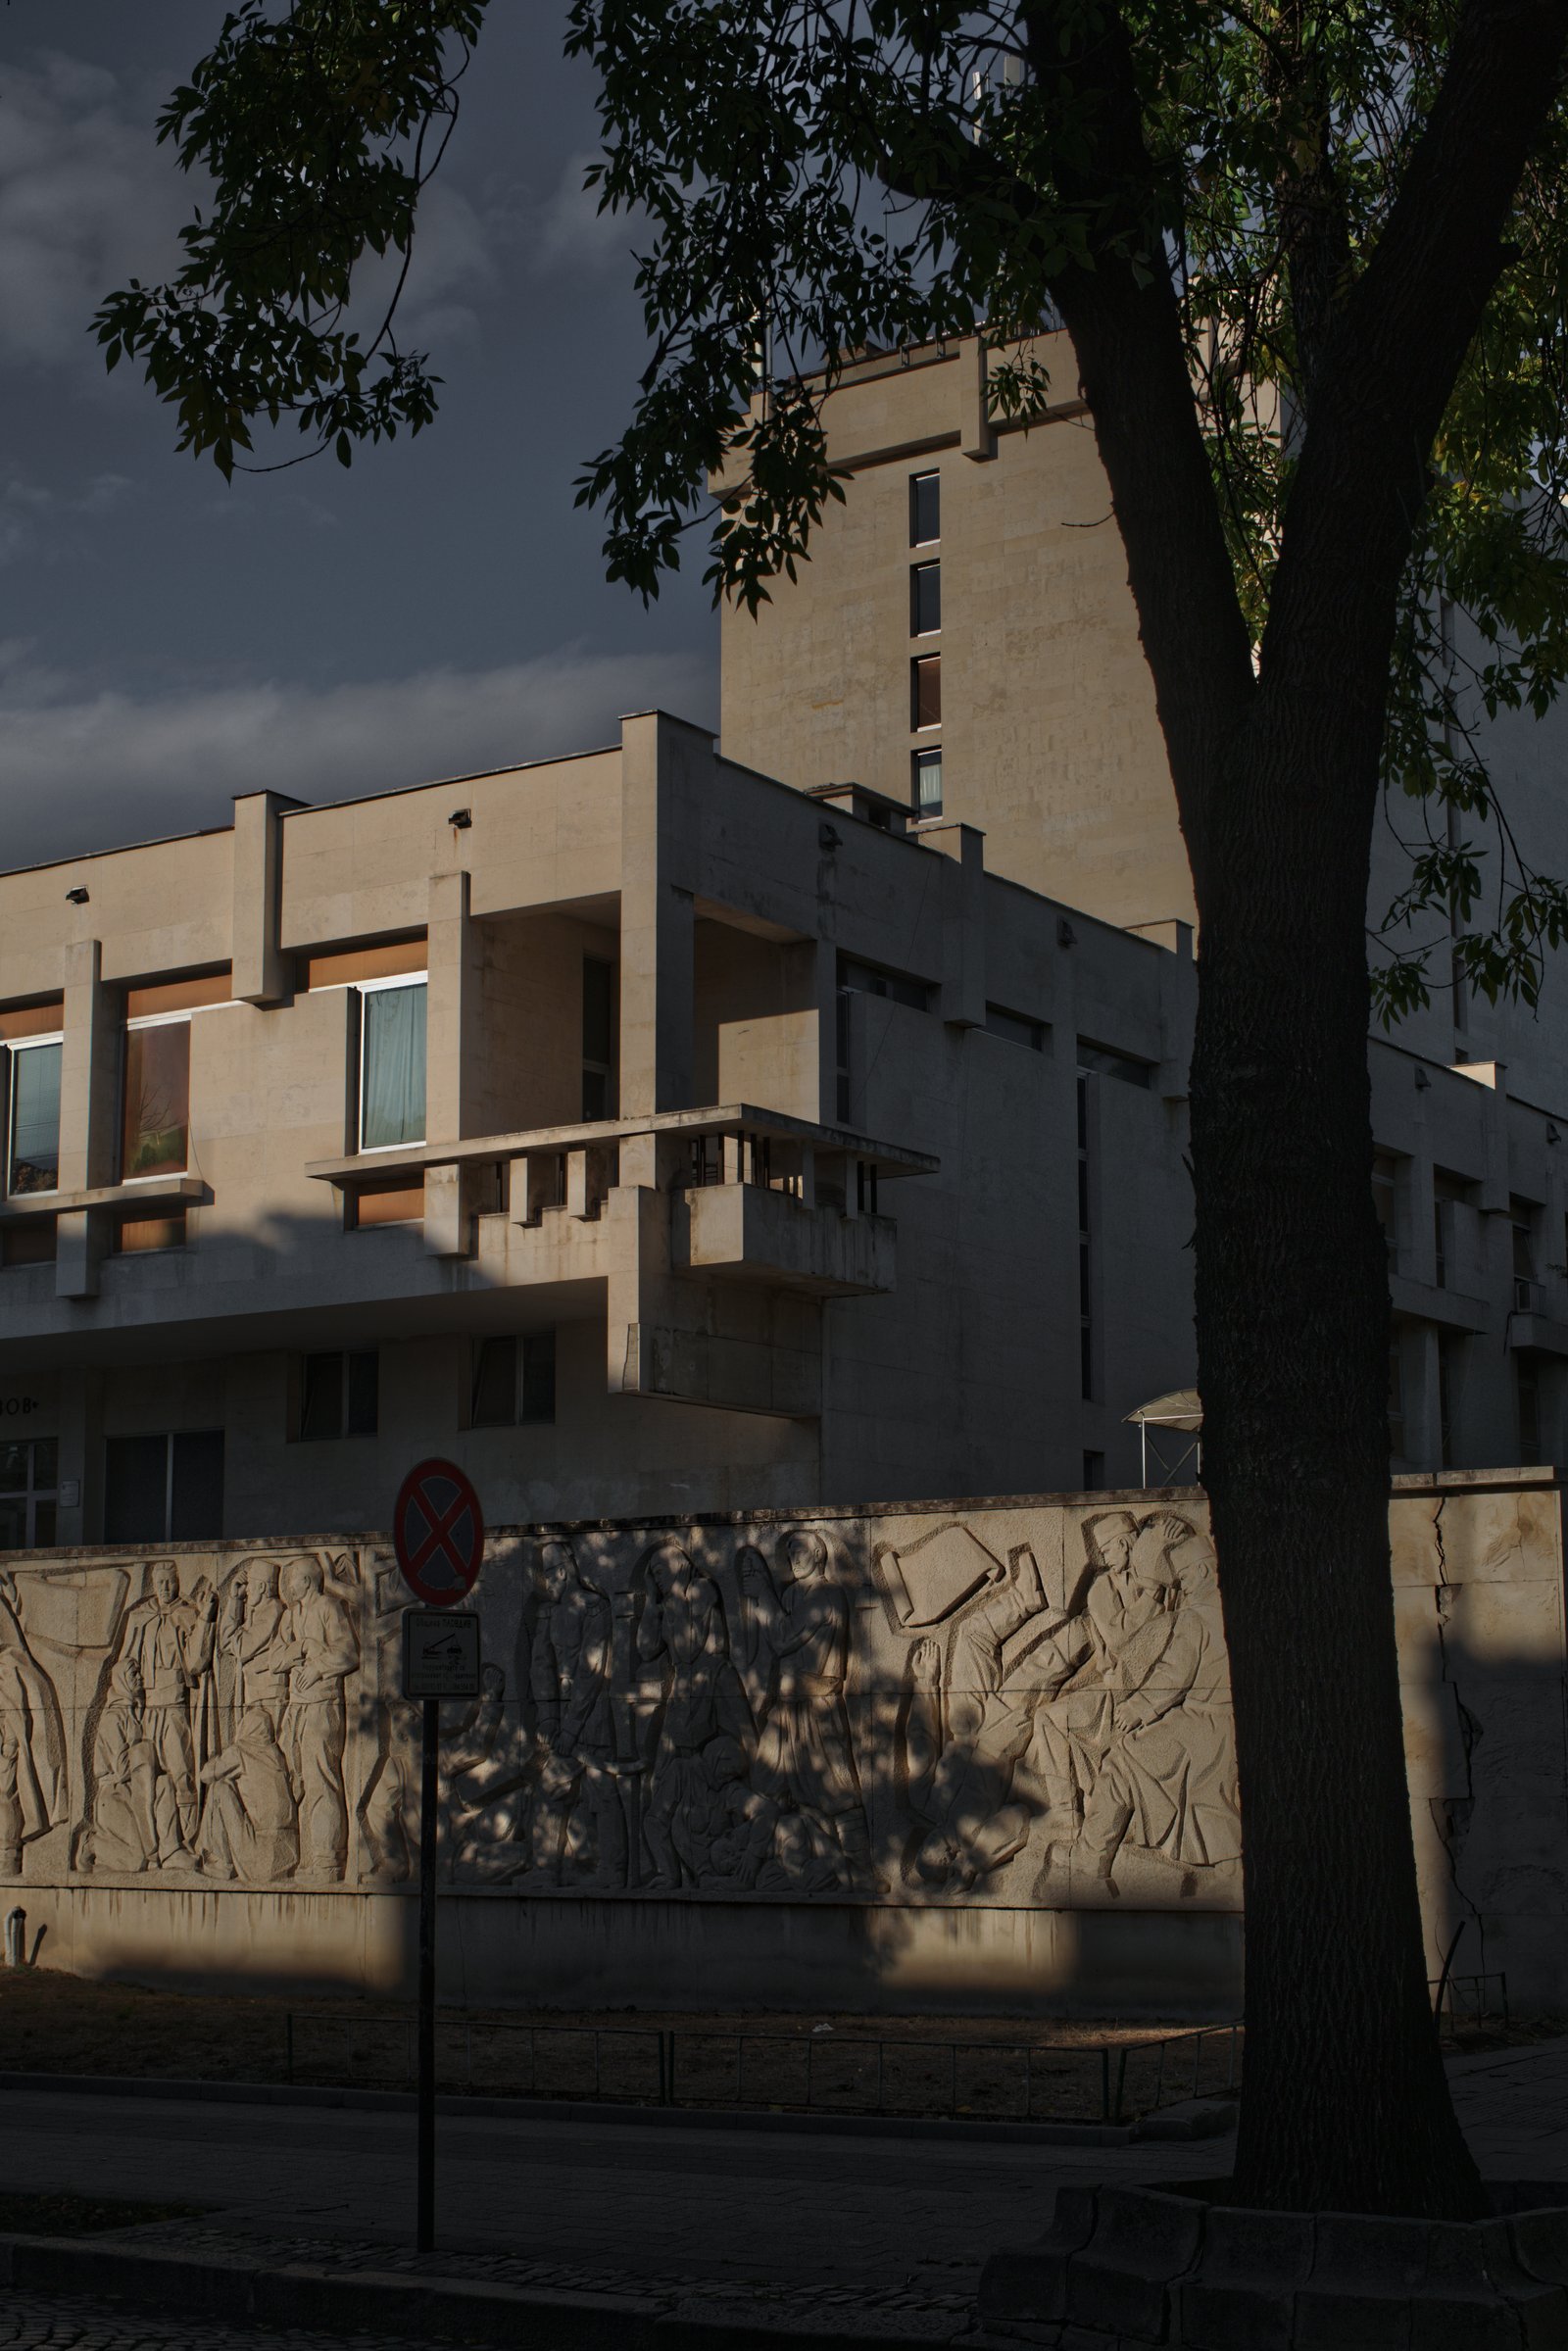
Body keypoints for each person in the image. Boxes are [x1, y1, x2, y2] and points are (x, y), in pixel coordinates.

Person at [743, 1529, 886, 1894]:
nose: (794, 1556)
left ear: (819, 1554)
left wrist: (763, 1596)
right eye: (789, 1551)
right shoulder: (792, 1593)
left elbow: (783, 1638)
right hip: (785, 1707)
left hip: (817, 1705)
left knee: (837, 1789)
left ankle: (861, 1869)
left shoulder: (827, 1594)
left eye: (801, 1549)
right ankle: (748, 1866)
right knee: (767, 1785)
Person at [638, 1539, 753, 1889]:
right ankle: (670, 1872)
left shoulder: (701, 1590)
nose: (657, 1579)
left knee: (740, 1759)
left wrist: (667, 1606)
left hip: (711, 1680)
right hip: (685, 1691)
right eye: (653, 1575)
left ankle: (725, 1860)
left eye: (660, 1571)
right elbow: (645, 1649)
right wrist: (651, 1604)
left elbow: (688, 1648)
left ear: (679, 1564)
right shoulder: (666, 1602)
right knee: (662, 1786)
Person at [530, 1538, 626, 1886]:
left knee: (603, 1787)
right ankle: (545, 1871)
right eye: (545, 1575)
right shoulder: (550, 1614)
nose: (549, 1581)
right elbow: (541, 1667)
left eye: (553, 1573)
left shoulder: (594, 1607)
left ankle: (613, 1872)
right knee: (552, 1785)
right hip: (565, 1714)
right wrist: (548, 1718)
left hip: (594, 1713)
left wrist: (570, 1727)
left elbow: (593, 1669)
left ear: (566, 1569)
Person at [116, 1562, 218, 1866]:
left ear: (177, 1582)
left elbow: (197, 1662)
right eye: (159, 1582)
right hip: (146, 1708)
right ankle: (153, 1845)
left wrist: (205, 1618)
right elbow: (124, 1664)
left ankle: (183, 1841)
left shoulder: (186, 1614)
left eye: (170, 1582)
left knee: (180, 1771)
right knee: (148, 1776)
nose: (164, 1588)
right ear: (152, 1583)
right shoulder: (139, 1617)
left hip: (174, 1704)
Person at [277, 1558, 358, 1880]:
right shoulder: (290, 1615)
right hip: (296, 1710)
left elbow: (348, 1653)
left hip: (322, 1707)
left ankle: (327, 1861)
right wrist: (301, 1648)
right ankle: (312, 1856)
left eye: (291, 1581)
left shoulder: (328, 1607)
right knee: (302, 1781)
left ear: (307, 1582)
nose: (287, 1587)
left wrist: (317, 1666)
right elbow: (274, 1659)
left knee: (322, 1780)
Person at [197, 1706, 299, 1884]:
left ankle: (221, 1864)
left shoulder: (241, 1751)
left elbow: (205, 1775)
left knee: (219, 1788)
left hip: (260, 1861)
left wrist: (215, 1758)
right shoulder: (277, 1754)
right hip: (288, 1856)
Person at [77, 1658, 158, 1875]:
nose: (140, 1677)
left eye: (139, 1673)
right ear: (122, 1680)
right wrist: (142, 1748)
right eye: (134, 1674)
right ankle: (91, 1843)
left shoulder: (135, 1714)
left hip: (132, 1792)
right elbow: (121, 1769)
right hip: (112, 1796)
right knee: (136, 1861)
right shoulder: (113, 1718)